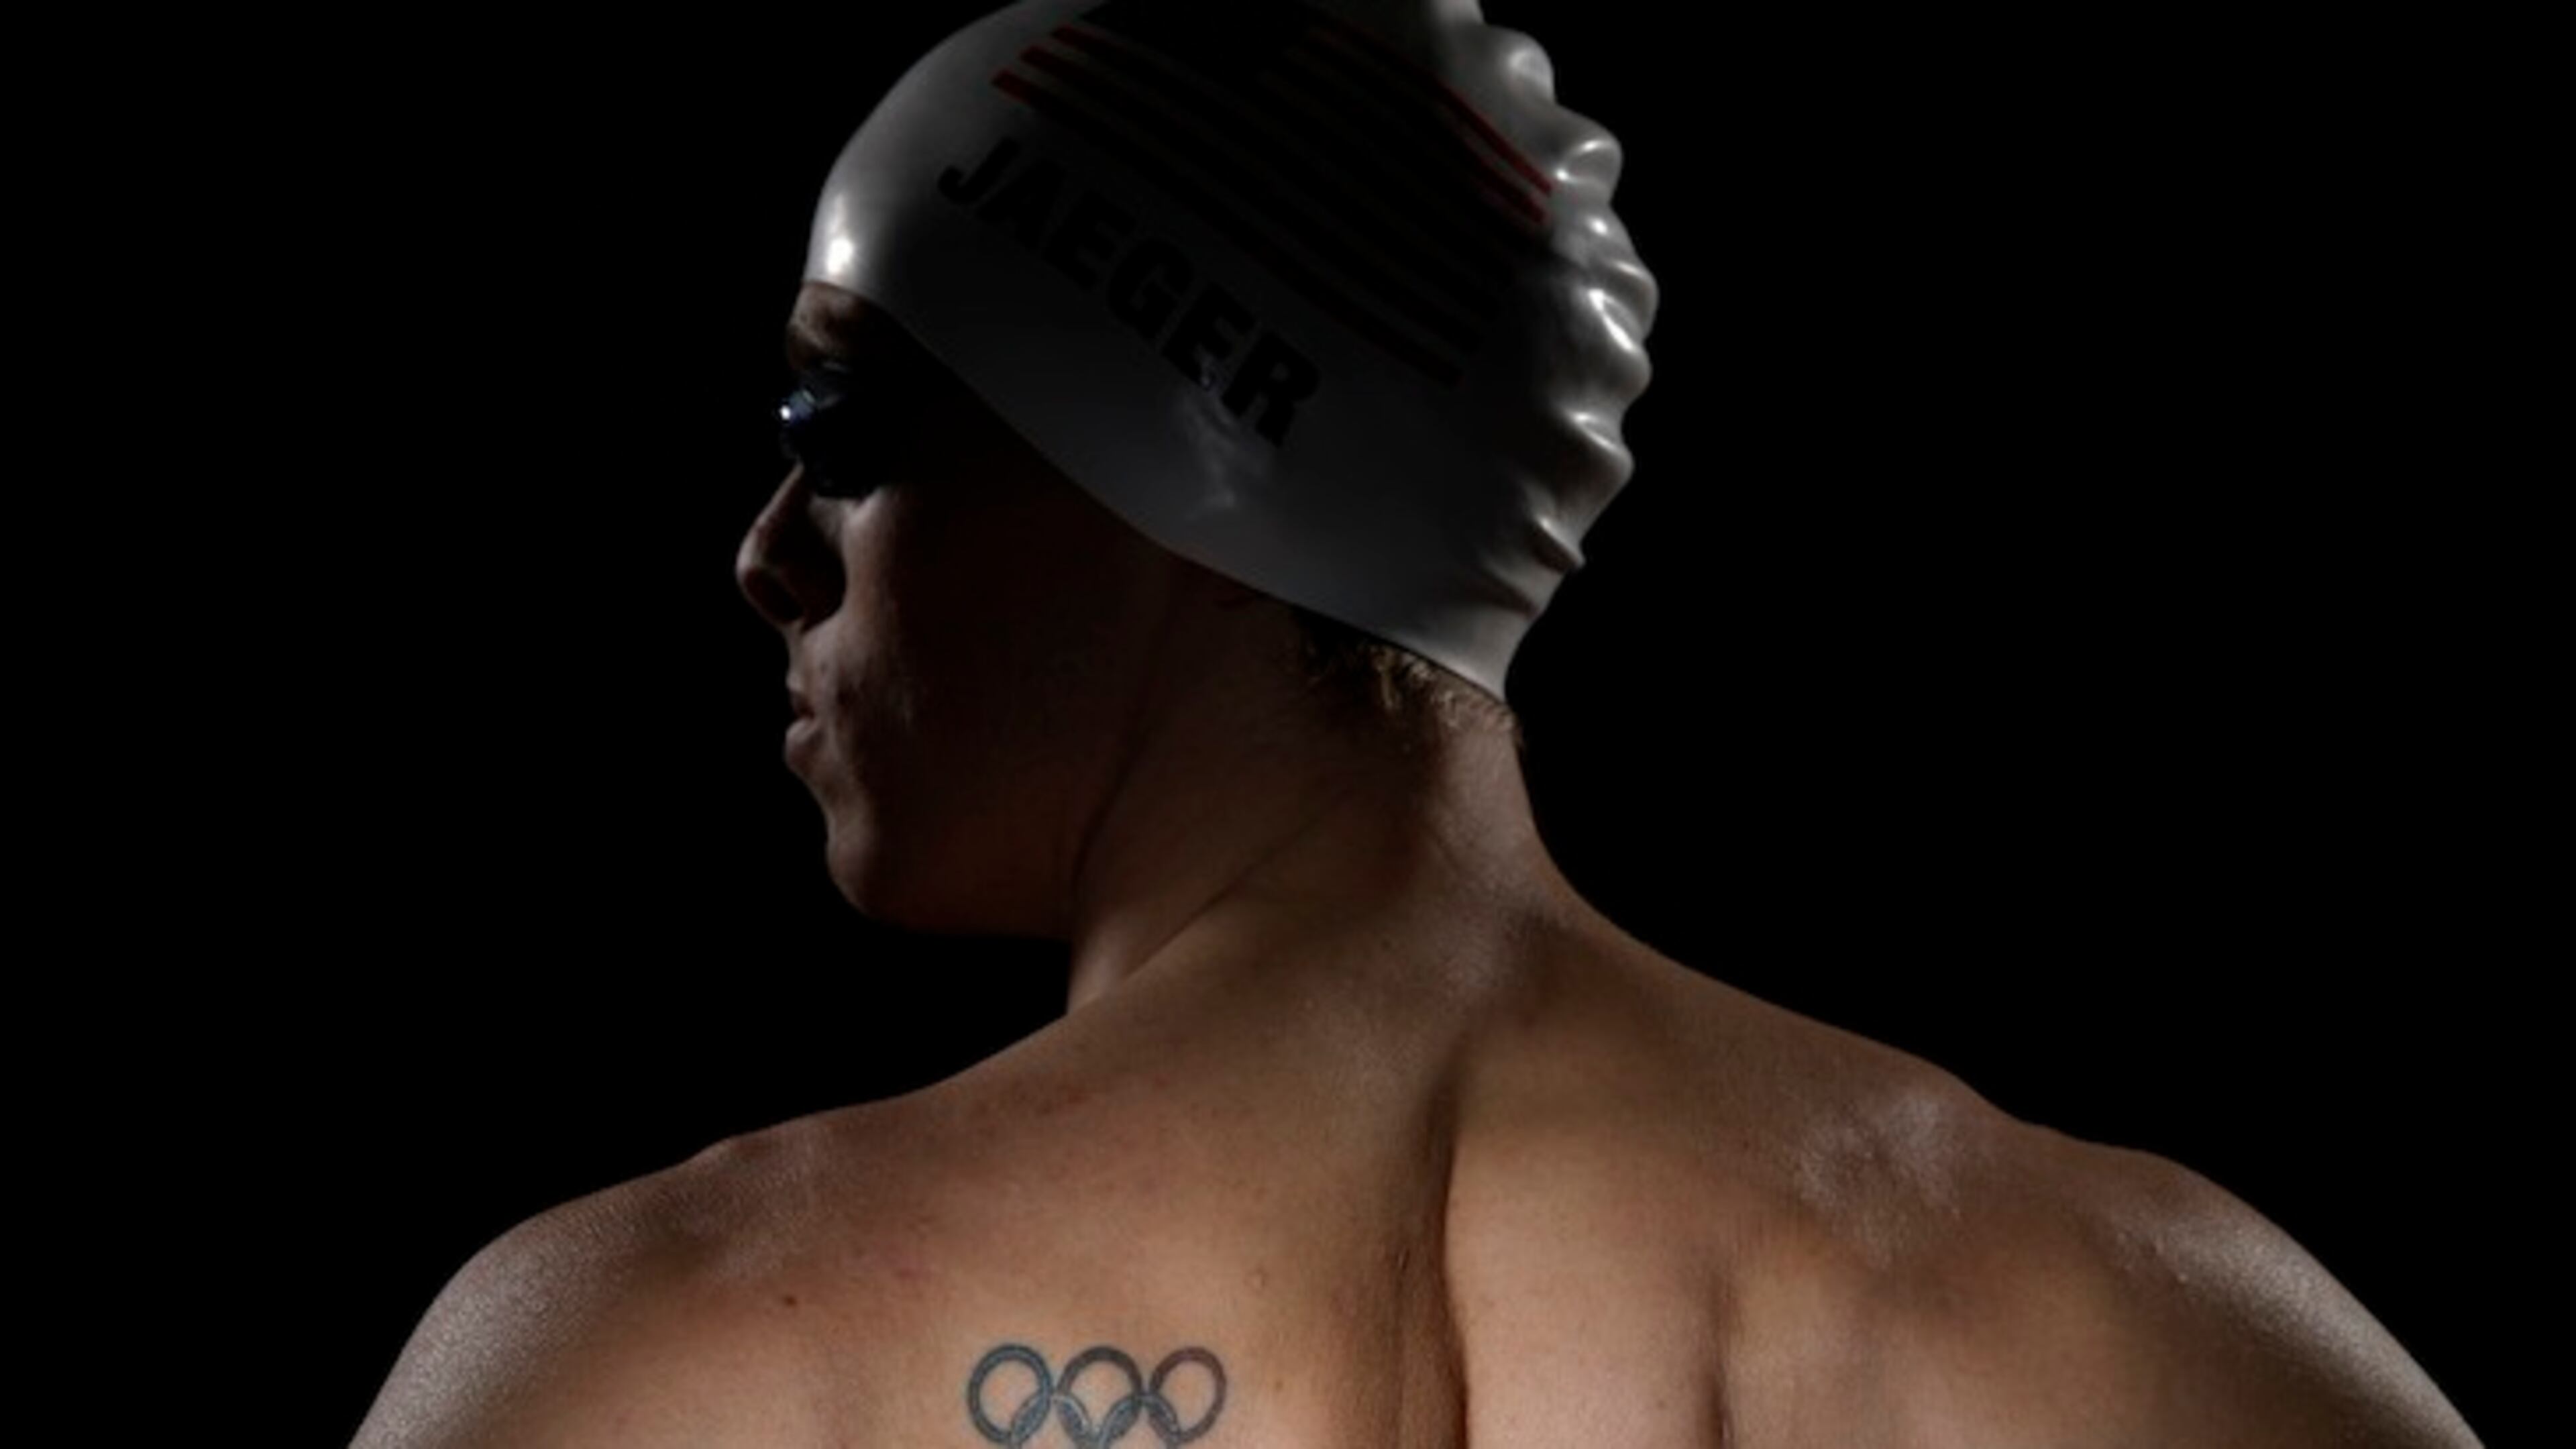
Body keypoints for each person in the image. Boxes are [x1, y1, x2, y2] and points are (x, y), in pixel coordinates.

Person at [355, 1, 2481, 1444]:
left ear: (1155, 463)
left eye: (840, 418)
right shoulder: (2132, 1327)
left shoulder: (683, 1349)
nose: (770, 552)